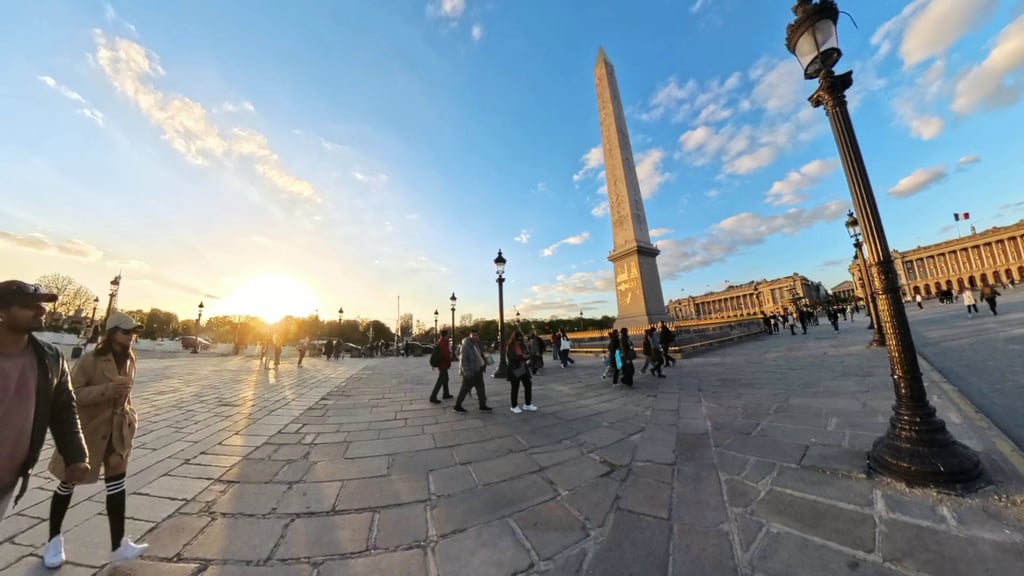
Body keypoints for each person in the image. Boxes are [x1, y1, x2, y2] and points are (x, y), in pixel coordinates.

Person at [44, 311, 148, 567]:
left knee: (117, 483)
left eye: (133, 333)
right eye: (126, 332)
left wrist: (130, 418)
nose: (131, 337)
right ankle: (53, 541)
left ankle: (118, 545)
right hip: (88, 430)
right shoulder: (91, 360)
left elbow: (125, 394)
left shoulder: (131, 358)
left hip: (117, 430)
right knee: (68, 483)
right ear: (112, 333)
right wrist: (106, 391)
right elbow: (71, 394)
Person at [0, 281, 89, 528]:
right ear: (3, 312)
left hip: (8, 477)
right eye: (29, 305)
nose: (40, 310)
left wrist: (76, 455)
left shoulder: (50, 358)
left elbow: (63, 410)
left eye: (41, 305)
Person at [453, 328, 491, 413]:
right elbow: (463, 361)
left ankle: (482, 405)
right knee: (464, 389)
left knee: (481, 389)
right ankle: (457, 406)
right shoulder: (466, 346)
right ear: (470, 336)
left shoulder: (476, 344)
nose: (475, 337)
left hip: (478, 370)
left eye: (477, 335)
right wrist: (467, 372)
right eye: (473, 335)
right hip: (470, 371)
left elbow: (480, 355)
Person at [506, 330, 537, 414]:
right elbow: (512, 357)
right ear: (514, 338)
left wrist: (527, 355)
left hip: (522, 368)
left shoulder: (522, 345)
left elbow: (525, 354)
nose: (519, 341)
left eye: (520, 339)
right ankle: (514, 406)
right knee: (515, 387)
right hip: (515, 369)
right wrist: (522, 356)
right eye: (517, 339)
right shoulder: (510, 346)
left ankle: (527, 404)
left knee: (528, 384)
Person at [429, 329, 454, 404]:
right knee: (441, 380)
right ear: (446, 335)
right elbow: (446, 354)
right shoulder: (443, 343)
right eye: (448, 335)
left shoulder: (440, 341)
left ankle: (446, 394)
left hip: (441, 364)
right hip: (443, 364)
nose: (449, 336)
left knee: (445, 379)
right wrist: (449, 360)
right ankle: (433, 397)